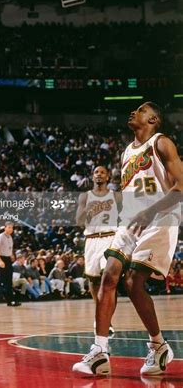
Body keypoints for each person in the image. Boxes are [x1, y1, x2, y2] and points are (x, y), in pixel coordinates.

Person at [73, 102, 182, 376]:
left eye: (141, 110)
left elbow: (180, 186)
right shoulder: (126, 152)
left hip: (160, 219)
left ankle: (158, 345)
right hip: (131, 221)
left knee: (133, 283)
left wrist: (149, 212)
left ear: (154, 119)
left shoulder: (162, 143)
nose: (134, 112)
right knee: (109, 275)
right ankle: (99, 353)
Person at [76, 166, 120, 334]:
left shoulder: (116, 196)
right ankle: (100, 315)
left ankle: (106, 320)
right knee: (94, 282)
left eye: (102, 172)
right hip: (92, 240)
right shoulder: (84, 196)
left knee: (108, 278)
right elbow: (79, 221)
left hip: (110, 238)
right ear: (92, 177)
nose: (99, 174)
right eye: (96, 172)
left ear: (108, 176)